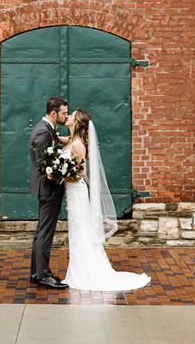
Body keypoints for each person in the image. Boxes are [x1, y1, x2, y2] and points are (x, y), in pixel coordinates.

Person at [60, 108, 151, 291]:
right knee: (77, 231)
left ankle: (87, 274)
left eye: (71, 115)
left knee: (81, 231)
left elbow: (82, 172)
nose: (68, 116)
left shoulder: (78, 145)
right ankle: (77, 272)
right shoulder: (72, 141)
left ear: (76, 122)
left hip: (77, 193)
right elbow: (62, 141)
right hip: (72, 195)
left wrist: (60, 174)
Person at [29, 96, 69, 289]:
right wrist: (64, 173)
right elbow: (45, 164)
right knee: (45, 233)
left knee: (41, 232)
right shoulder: (43, 131)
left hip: (47, 189)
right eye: (63, 113)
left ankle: (37, 272)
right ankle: (44, 275)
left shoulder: (46, 129)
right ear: (54, 113)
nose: (65, 116)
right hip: (49, 189)